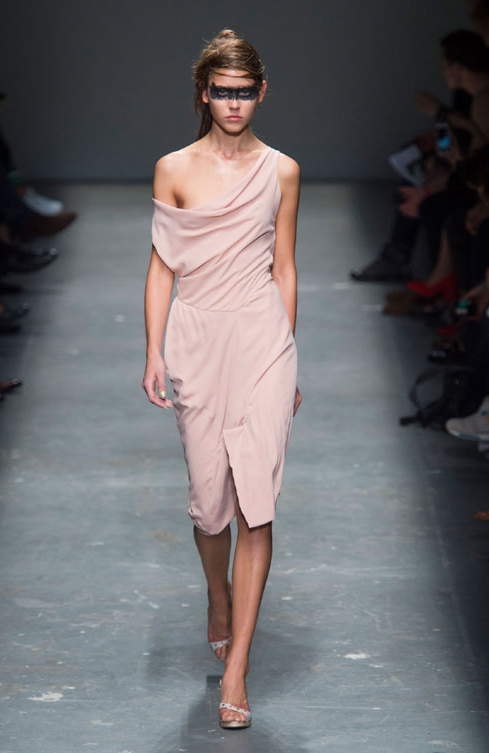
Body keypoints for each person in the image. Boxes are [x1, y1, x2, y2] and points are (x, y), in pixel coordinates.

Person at [142, 28, 302, 730]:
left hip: (263, 336)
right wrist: (153, 350)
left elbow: (284, 266)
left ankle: (238, 664)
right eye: (221, 92)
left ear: (261, 93)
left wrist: (289, 351)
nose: (233, 103)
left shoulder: (283, 171)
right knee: (211, 505)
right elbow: (162, 267)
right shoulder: (173, 169)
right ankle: (217, 594)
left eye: (244, 92)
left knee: (255, 505)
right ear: (203, 94)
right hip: (198, 337)